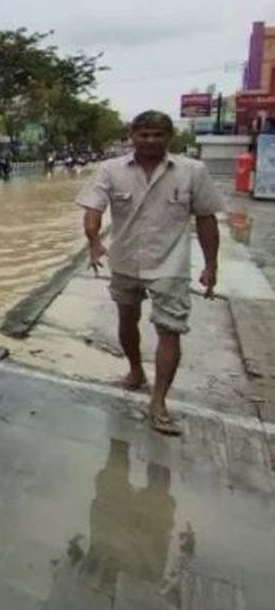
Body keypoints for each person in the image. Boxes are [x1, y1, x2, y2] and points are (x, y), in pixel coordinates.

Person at [76, 110, 225, 436]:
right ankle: (134, 371)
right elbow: (93, 209)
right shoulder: (111, 169)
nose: (150, 140)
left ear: (169, 137)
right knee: (127, 320)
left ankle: (159, 401)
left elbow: (206, 220)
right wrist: (93, 242)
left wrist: (211, 266)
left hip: (171, 265)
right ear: (133, 136)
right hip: (125, 260)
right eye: (144, 134)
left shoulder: (192, 172)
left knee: (169, 329)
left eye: (158, 134)